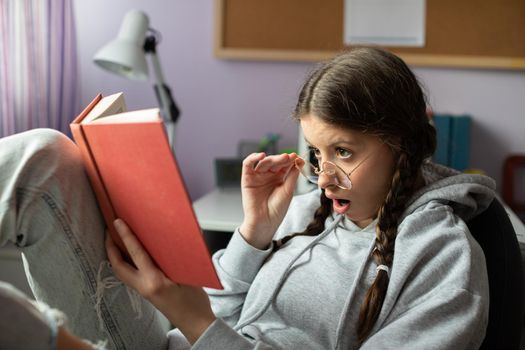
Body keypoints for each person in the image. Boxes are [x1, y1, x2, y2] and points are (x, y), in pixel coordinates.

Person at [0, 47, 495, 349]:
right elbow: (218, 309)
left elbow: (202, 320)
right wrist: (254, 233)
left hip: (186, 337)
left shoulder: (442, 259)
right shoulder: (306, 211)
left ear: (401, 143)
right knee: (44, 156)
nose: (324, 179)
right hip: (174, 340)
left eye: (344, 151)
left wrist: (193, 320)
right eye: (317, 153)